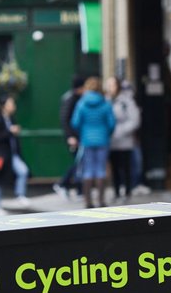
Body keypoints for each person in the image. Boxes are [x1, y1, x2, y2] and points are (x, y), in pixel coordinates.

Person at [71, 76, 116, 208]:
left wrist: (83, 133)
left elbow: (75, 122)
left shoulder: (82, 103)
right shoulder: (105, 103)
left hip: (87, 140)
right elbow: (111, 123)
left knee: (88, 171)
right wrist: (106, 134)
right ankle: (101, 201)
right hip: (102, 140)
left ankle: (88, 201)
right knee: (101, 170)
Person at [0, 96, 30, 214]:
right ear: (3, 105)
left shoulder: (11, 118)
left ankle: (20, 195)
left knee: (23, 171)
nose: (13, 106)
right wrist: (10, 131)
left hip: (12, 154)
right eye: (11, 103)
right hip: (0, 156)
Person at [105, 76, 140, 203]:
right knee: (114, 168)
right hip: (111, 141)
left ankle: (127, 192)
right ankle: (116, 191)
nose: (109, 88)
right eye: (108, 85)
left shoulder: (126, 101)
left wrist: (120, 131)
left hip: (124, 141)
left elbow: (135, 120)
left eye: (112, 85)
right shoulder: (106, 100)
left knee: (126, 167)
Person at [55, 74, 85, 199]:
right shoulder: (70, 99)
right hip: (74, 137)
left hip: (77, 136)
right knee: (79, 162)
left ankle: (78, 190)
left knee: (80, 163)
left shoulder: (76, 97)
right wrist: (70, 137)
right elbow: (64, 119)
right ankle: (63, 184)